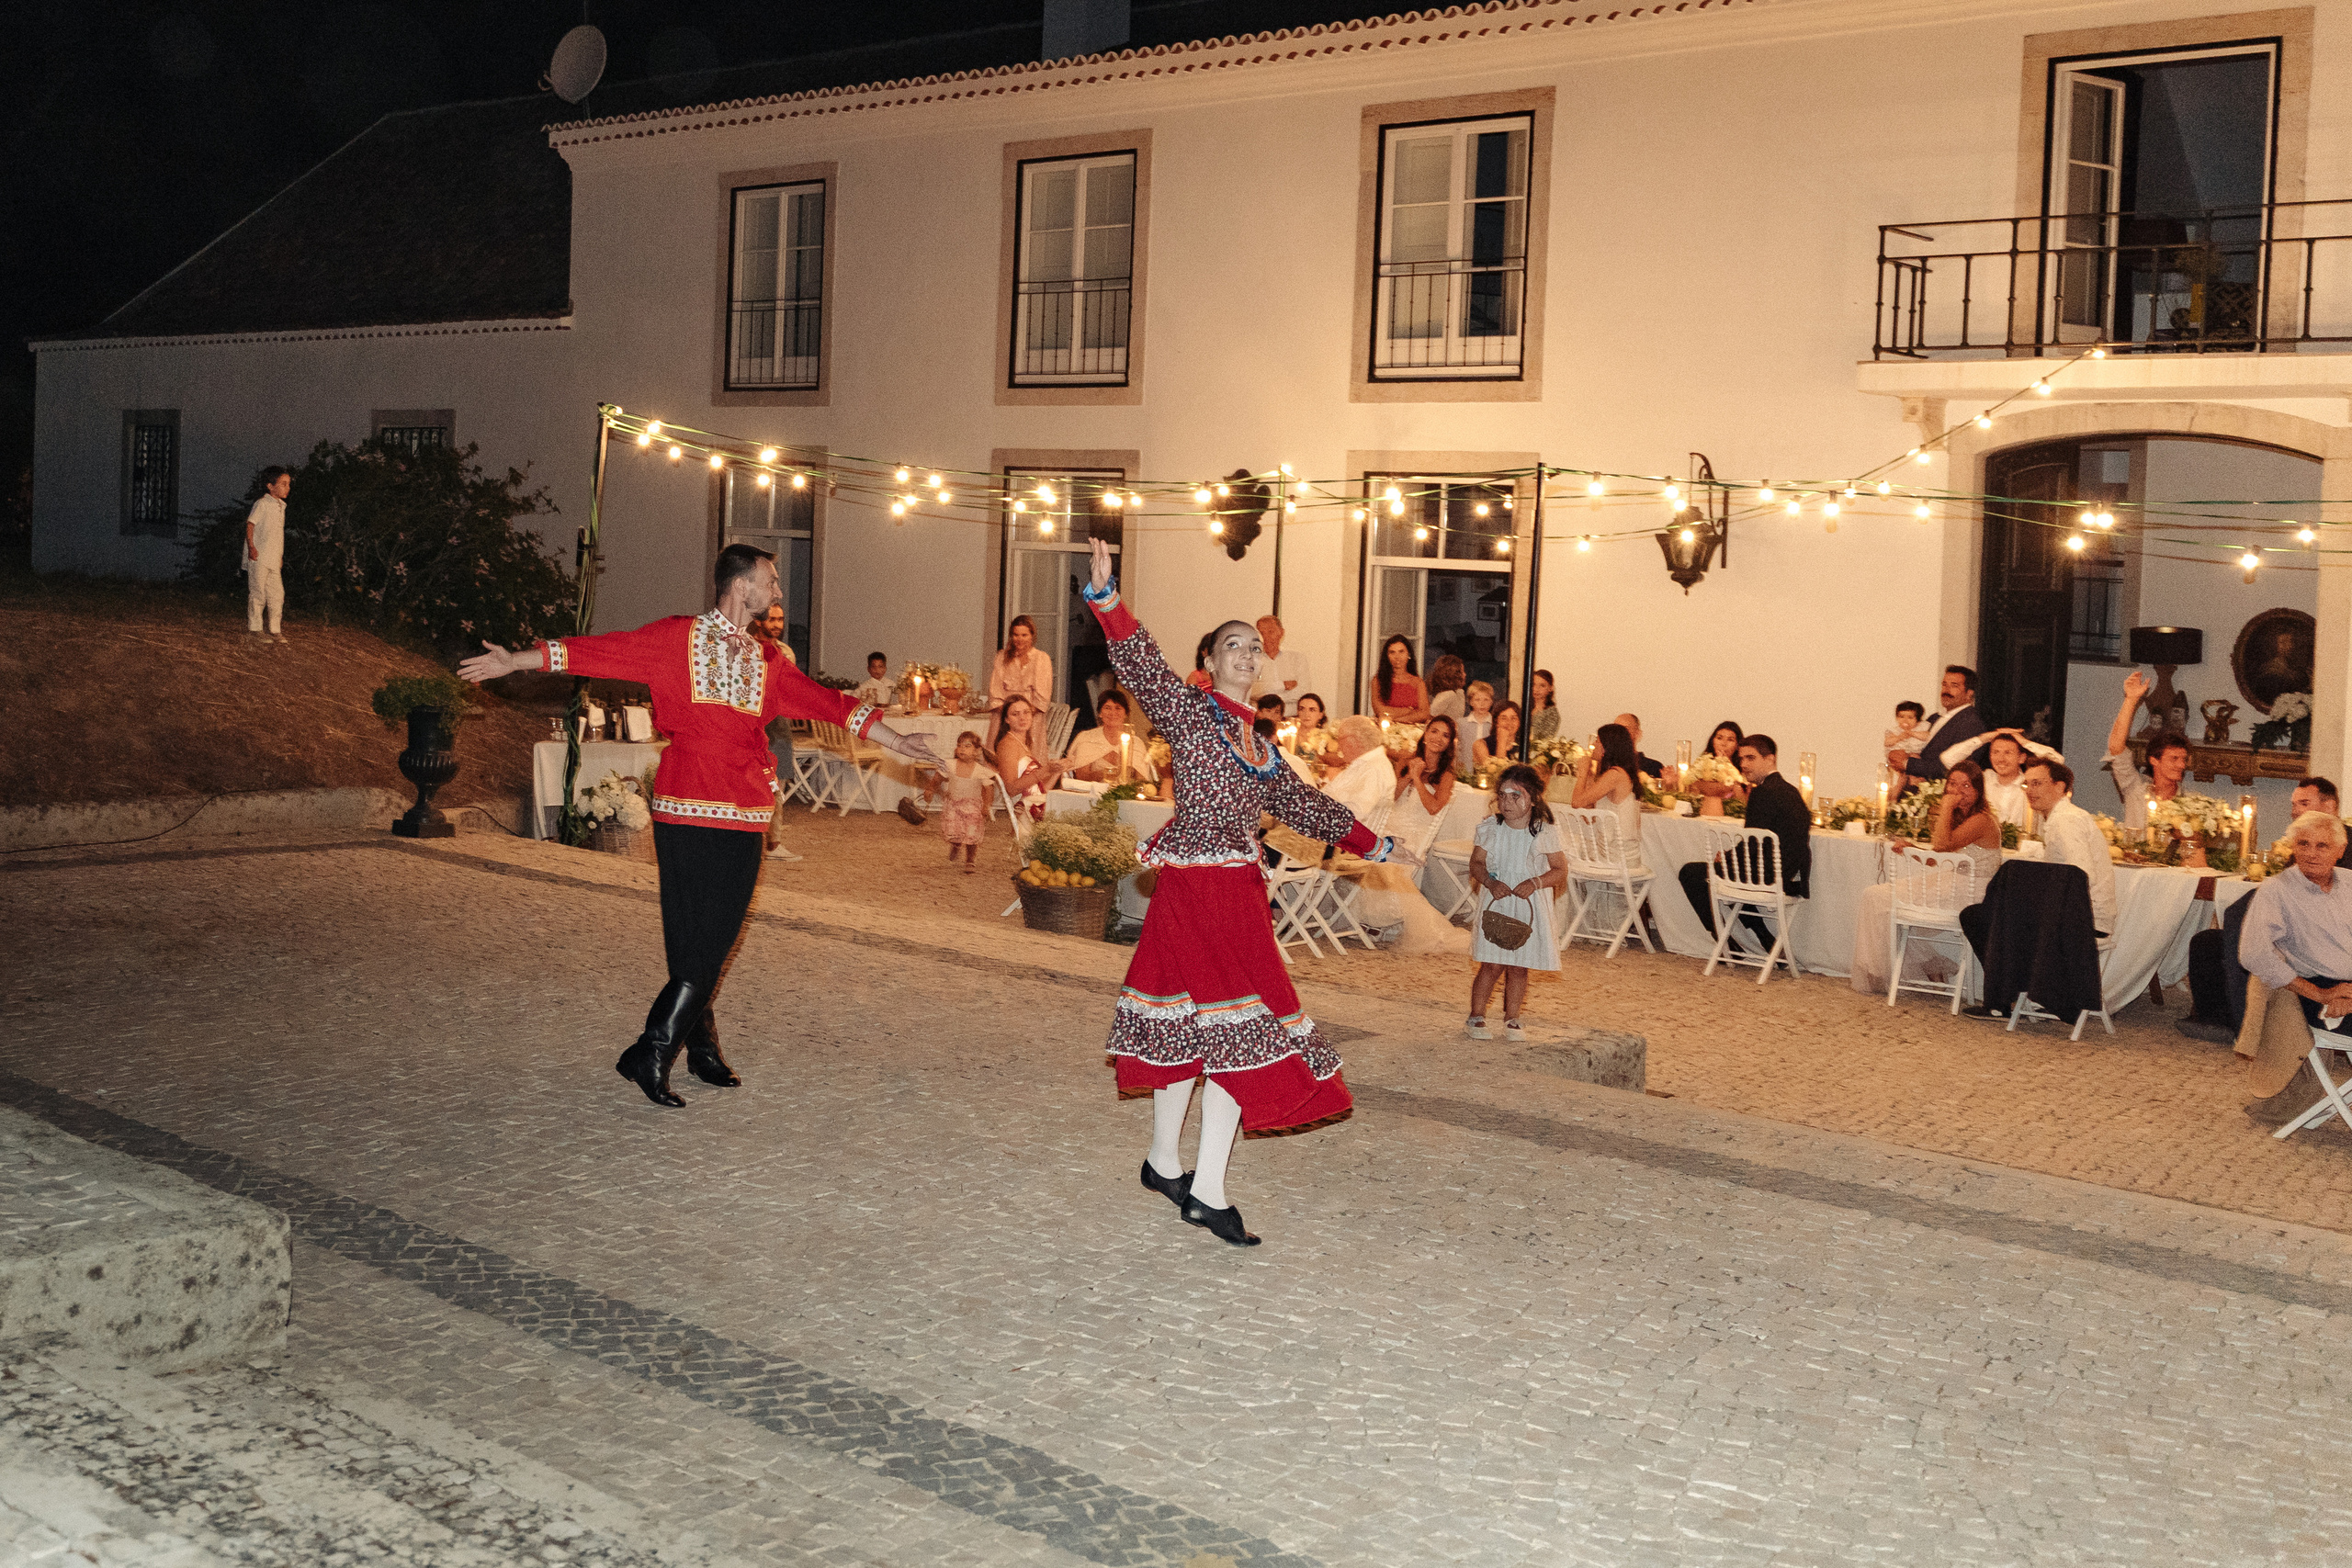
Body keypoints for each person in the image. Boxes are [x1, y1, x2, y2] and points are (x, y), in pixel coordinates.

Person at [458, 543, 941, 1107]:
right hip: (684, 805)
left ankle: (694, 1048)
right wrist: (519, 659)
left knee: (711, 935)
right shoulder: (674, 638)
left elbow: (828, 703)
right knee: (696, 936)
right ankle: (655, 1050)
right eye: (772, 582)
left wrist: (897, 740)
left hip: (744, 809)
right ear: (741, 587)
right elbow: (601, 652)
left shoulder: (769, 660)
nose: (779, 593)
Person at [1077, 537, 1416, 1247]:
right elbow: (1139, 661)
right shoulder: (1191, 713)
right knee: (1240, 1030)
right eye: (1232, 645)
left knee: (1199, 1024)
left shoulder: (1262, 748)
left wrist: (1377, 844)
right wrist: (1108, 598)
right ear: (1210, 662)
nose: (1245, 653)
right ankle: (1204, 1187)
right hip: (1194, 887)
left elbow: (1308, 805)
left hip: (1235, 893)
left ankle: (1166, 1161)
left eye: (1251, 648)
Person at [2180, 777, 2345, 1043]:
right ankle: (2223, 1018)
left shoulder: (2344, 866)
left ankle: (2240, 1023)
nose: (2312, 853)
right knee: (2208, 941)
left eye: (2304, 803)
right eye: (2303, 844)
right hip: (2308, 970)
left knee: (2227, 927)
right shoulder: (2287, 874)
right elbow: (2257, 950)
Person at [1960, 759, 2113, 1018]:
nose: (2030, 790)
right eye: (2027, 784)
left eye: (2038, 783)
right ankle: (2012, 996)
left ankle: (2006, 999)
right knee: (1990, 914)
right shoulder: (2059, 818)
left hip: (2084, 919)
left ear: (2059, 786)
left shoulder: (2067, 820)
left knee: (1982, 917)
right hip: (2069, 911)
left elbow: (2078, 875)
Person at [1850, 760, 2002, 998]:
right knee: (1881, 900)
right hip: (1955, 883)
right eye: (1952, 784)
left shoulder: (1981, 819)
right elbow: (1940, 856)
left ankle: (1914, 970)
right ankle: (1931, 968)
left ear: (1977, 791)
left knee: (1885, 902)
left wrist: (1946, 808)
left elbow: (1942, 845)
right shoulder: (1961, 816)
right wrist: (1913, 848)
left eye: (1966, 786)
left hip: (1973, 893)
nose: (1957, 791)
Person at [1678, 734, 1810, 950]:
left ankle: (1727, 944)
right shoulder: (1790, 791)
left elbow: (1753, 843)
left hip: (1770, 877)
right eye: (1742, 759)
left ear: (1770, 760)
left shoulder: (1763, 793)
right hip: (1791, 876)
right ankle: (1766, 939)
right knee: (1737, 873)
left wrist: (1728, 857)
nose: (1744, 765)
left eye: (1751, 758)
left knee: (1691, 873)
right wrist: (1731, 858)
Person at [1466, 764, 1568, 1042]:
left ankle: (1513, 1017)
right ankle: (1476, 1015)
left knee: (1519, 965)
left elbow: (1560, 869)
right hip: (1498, 901)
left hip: (1527, 904)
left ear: (1533, 798)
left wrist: (1536, 882)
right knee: (1492, 963)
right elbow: (1476, 863)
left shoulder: (1543, 832)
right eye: (1502, 795)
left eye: (1516, 796)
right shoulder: (1491, 828)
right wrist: (1489, 882)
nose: (1507, 802)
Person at [2238, 810, 2352, 1036]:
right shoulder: (2276, 890)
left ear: (2340, 851)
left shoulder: (2349, 881)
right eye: (2303, 844)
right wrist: (2320, 994)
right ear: (2293, 846)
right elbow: (2253, 953)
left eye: (2322, 846)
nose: (2311, 853)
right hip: (2316, 991)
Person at [2102, 670, 2196, 838]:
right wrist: (2130, 700)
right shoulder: (2136, 788)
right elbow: (2116, 747)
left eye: (2184, 759)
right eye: (2174, 758)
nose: (2182, 765)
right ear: (2154, 760)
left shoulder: (2189, 802)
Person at [750, 604, 804, 863]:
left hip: (778, 728)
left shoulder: (786, 652)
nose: (778, 624)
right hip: (750, 727)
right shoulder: (745, 648)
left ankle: (773, 844)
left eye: (781, 619)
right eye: (772, 619)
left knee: (777, 786)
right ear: (759, 621)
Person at [1890, 666, 1987, 783]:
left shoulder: (1971, 723)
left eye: (1954, 685)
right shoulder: (1935, 718)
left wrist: (1906, 763)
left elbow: (1955, 768)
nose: (1946, 690)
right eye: (1944, 684)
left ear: (1969, 693)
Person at [1572, 721, 1646, 860]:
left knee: (1570, 851)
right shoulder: (1613, 774)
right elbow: (1590, 818)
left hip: (1618, 854)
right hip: (1610, 850)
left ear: (1606, 747)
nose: (1593, 744)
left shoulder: (1615, 774)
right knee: (1575, 849)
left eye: (1597, 741)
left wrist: (1582, 774)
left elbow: (1576, 802)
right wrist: (1588, 777)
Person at [1391, 716, 1460, 851]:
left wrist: (1417, 779)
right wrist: (1409, 776)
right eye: (1434, 731)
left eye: (1445, 735)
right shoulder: (1405, 762)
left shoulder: (1446, 775)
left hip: (1413, 839)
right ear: (1426, 734)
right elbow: (1390, 798)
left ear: (1449, 743)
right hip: (1390, 827)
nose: (1438, 738)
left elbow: (1433, 808)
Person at [1974, 728, 2064, 830]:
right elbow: (1951, 761)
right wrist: (1982, 739)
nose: (2000, 759)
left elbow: (2058, 760)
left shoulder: (2032, 785)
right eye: (1995, 752)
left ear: (2021, 758)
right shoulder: (1984, 780)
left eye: (2008, 753)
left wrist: (2025, 742)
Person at [990, 694, 1064, 815]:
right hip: (1026, 811)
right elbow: (1011, 789)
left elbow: (1039, 791)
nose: (1022, 718)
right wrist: (1046, 769)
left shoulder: (1023, 743)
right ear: (1006, 719)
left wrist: (1057, 771)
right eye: (1015, 714)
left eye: (1026, 712)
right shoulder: (1008, 745)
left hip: (1035, 805)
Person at [928, 731, 990, 873]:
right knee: (955, 831)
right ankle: (956, 845)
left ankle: (970, 859)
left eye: (967, 746)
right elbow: (937, 778)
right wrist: (930, 789)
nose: (962, 749)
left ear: (977, 751)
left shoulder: (981, 770)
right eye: (959, 745)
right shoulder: (950, 764)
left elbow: (989, 789)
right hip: (953, 805)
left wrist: (987, 805)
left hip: (972, 807)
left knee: (971, 835)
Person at [1064, 689, 1157, 784]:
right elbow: (1081, 776)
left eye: (1118, 708)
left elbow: (1141, 780)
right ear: (1100, 713)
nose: (1113, 713)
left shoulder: (1136, 743)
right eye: (1107, 708)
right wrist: (1107, 773)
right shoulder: (1087, 738)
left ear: (1126, 713)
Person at [243, 466, 292, 644]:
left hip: (273, 558)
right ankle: (255, 629)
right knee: (258, 593)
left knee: (277, 594)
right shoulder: (262, 504)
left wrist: (279, 556)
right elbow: (250, 524)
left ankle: (275, 629)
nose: (288, 488)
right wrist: (251, 547)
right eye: (284, 484)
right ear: (270, 486)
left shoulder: (281, 507)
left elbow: (277, 535)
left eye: (288, 484)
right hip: (259, 556)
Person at [1323, 715, 1398, 827]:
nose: (1338, 748)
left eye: (1340, 741)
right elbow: (1326, 793)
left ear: (1354, 741)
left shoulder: (1375, 768)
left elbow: (1357, 813)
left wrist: (1322, 811)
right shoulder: (1362, 764)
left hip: (1348, 839)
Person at [989, 615, 1054, 712]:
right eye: (1016, 635)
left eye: (1024, 635)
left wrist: (1024, 713)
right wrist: (1009, 713)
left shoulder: (1041, 658)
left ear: (1032, 636)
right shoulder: (1002, 657)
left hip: (1032, 714)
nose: (1020, 639)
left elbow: (1043, 697)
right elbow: (995, 691)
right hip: (1005, 713)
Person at [1249, 615, 1310, 714]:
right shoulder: (1251, 660)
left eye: (1270, 632)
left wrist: (1265, 693)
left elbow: (1303, 692)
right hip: (1261, 721)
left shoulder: (1297, 658)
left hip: (1292, 719)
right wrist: (1282, 686)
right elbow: (1251, 691)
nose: (1266, 637)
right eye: (1261, 633)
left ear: (1281, 633)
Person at [1370, 635, 1429, 721]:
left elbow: (1424, 714)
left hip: (1412, 731)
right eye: (1392, 652)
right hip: (1386, 729)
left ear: (1408, 654)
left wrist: (1399, 720)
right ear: (1387, 656)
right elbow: (1380, 710)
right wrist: (1409, 710)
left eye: (1401, 651)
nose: (1397, 656)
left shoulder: (1418, 682)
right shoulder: (1378, 680)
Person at [1693, 720, 1748, 807]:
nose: (1724, 743)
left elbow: (1743, 802)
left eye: (1730, 740)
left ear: (1737, 746)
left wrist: (1729, 769)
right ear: (1713, 741)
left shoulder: (1744, 769)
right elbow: (1694, 790)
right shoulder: (1702, 765)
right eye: (1719, 738)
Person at [1456, 681, 1497, 775]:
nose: (1482, 704)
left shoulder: (1494, 725)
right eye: (1477, 700)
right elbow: (1457, 749)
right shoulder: (1461, 723)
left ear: (1491, 702)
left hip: (1488, 774)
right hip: (1465, 773)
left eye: (1486, 700)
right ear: (1471, 702)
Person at [1613, 713, 1666, 781]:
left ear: (1637, 733)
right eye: (1615, 729)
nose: (1619, 733)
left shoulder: (1653, 766)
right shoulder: (1606, 764)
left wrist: (1669, 784)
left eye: (1625, 729)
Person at [1476, 700, 1523, 773]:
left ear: (1519, 722)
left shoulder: (1525, 745)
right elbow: (1496, 774)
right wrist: (1502, 741)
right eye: (1504, 718)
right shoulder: (1480, 744)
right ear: (1496, 722)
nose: (1509, 723)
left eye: (1513, 718)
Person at [1885, 701, 1929, 766]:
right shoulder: (1895, 731)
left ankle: (1912, 774)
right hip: (1899, 755)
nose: (1905, 720)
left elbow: (1928, 736)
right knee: (1894, 756)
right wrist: (1899, 737)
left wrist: (1912, 733)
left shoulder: (1922, 727)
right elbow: (1887, 742)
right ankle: (1903, 774)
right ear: (1897, 718)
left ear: (1917, 720)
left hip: (1916, 754)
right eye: (1901, 717)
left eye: (1910, 718)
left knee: (1915, 758)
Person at [1529, 670, 1560, 742]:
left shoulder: (1552, 714)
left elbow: (1544, 740)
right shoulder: (1524, 708)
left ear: (1550, 688)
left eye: (1542, 686)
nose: (1536, 689)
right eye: (1533, 684)